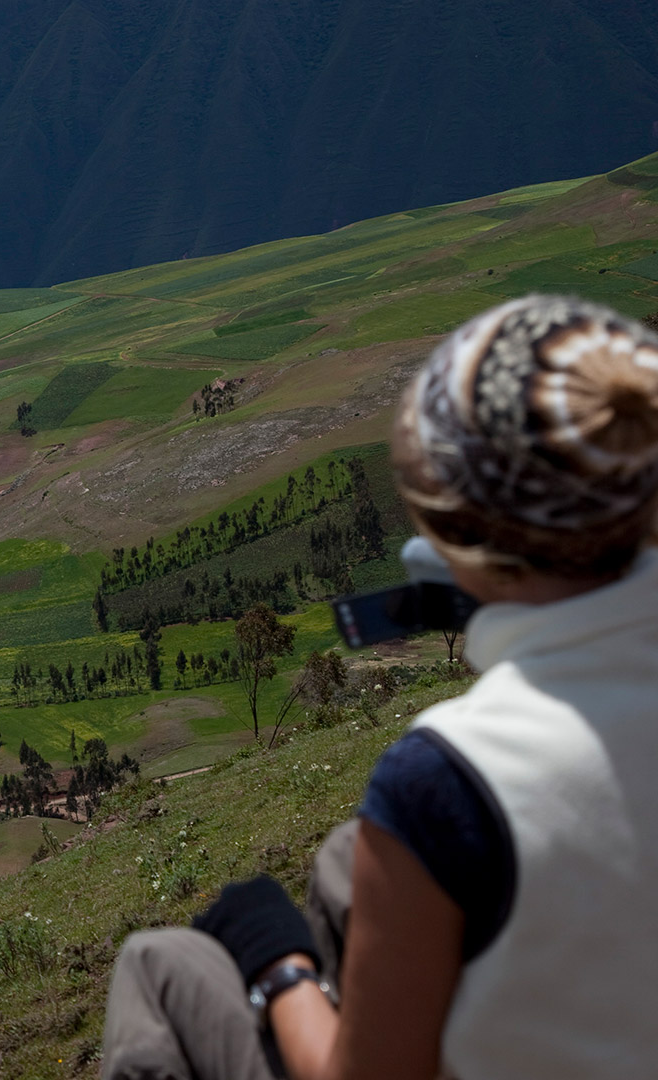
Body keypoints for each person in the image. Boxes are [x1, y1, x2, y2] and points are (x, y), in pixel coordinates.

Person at [101, 294, 658, 1079]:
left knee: (158, 964)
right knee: (344, 859)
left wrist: (279, 968)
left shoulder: (450, 780)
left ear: (453, 534)